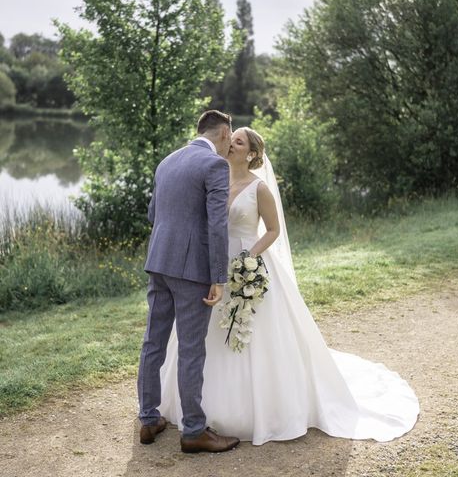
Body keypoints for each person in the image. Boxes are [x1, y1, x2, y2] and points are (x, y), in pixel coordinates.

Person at [158, 127, 419, 445]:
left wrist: (248, 258)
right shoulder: (214, 178)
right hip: (211, 265)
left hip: (246, 261)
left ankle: (257, 410)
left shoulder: (259, 189)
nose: (230, 145)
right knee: (201, 332)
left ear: (251, 153)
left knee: (253, 331)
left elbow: (272, 230)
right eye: (230, 140)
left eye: (238, 142)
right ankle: (194, 406)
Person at [137, 110, 240, 453]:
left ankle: (149, 419)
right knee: (191, 349)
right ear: (224, 133)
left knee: (154, 342)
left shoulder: (167, 162)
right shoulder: (215, 166)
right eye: (231, 137)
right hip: (192, 271)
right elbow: (217, 225)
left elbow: (154, 214)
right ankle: (194, 430)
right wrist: (218, 277)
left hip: (159, 262)